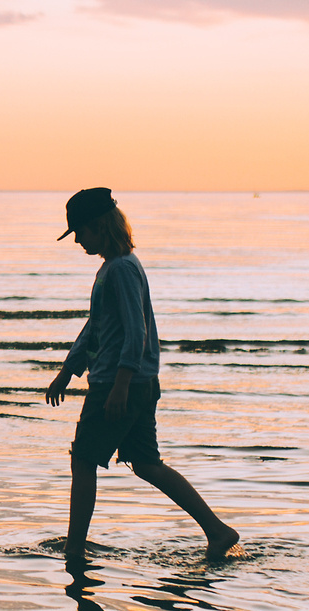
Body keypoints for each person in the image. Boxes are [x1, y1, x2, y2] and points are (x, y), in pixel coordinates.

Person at [42, 187, 241, 563]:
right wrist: (68, 370)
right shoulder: (114, 268)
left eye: (79, 231)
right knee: (146, 463)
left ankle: (74, 548)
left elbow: (138, 331)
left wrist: (119, 385)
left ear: (99, 226)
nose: (78, 240)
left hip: (119, 385)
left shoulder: (121, 270)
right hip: (136, 384)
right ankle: (217, 531)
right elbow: (96, 327)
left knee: (84, 459)